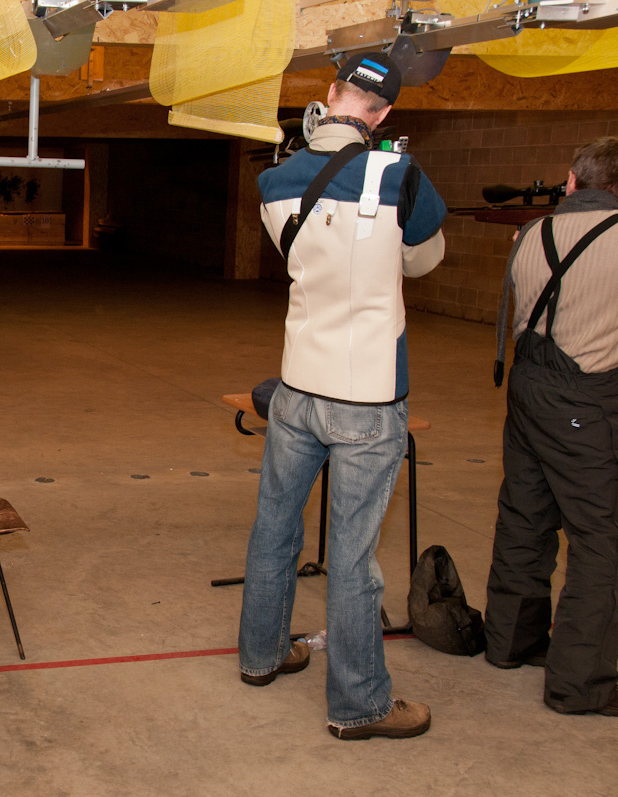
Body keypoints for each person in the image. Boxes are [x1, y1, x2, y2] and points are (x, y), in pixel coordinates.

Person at [238, 53, 446, 740]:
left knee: (275, 527)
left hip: (298, 384)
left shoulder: (275, 180)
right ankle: (359, 704)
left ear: (330, 97)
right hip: (368, 393)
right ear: (383, 115)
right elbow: (425, 256)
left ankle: (261, 657)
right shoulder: (402, 177)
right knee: (353, 555)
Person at [485, 137, 618, 716]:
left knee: (524, 516)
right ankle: (582, 684)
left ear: (571, 181)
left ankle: (510, 643)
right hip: (586, 401)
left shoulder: (530, 235)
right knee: (601, 539)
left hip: (528, 390)